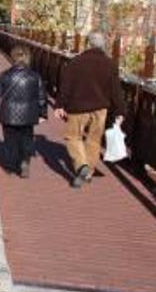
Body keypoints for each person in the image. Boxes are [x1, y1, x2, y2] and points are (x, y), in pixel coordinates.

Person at [54, 32, 126, 188]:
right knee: (94, 140)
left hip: (77, 107)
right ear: (103, 45)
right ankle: (89, 172)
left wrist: (59, 104)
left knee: (73, 137)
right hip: (100, 109)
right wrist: (120, 111)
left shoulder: (76, 62)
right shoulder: (110, 64)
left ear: (87, 44)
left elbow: (65, 85)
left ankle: (81, 166)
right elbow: (116, 90)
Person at [0, 45, 47, 178]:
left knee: (10, 140)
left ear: (13, 58)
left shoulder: (5, 75)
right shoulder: (35, 76)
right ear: (27, 58)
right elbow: (42, 96)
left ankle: (12, 164)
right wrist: (43, 113)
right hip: (28, 114)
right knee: (27, 138)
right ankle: (25, 161)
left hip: (8, 114)